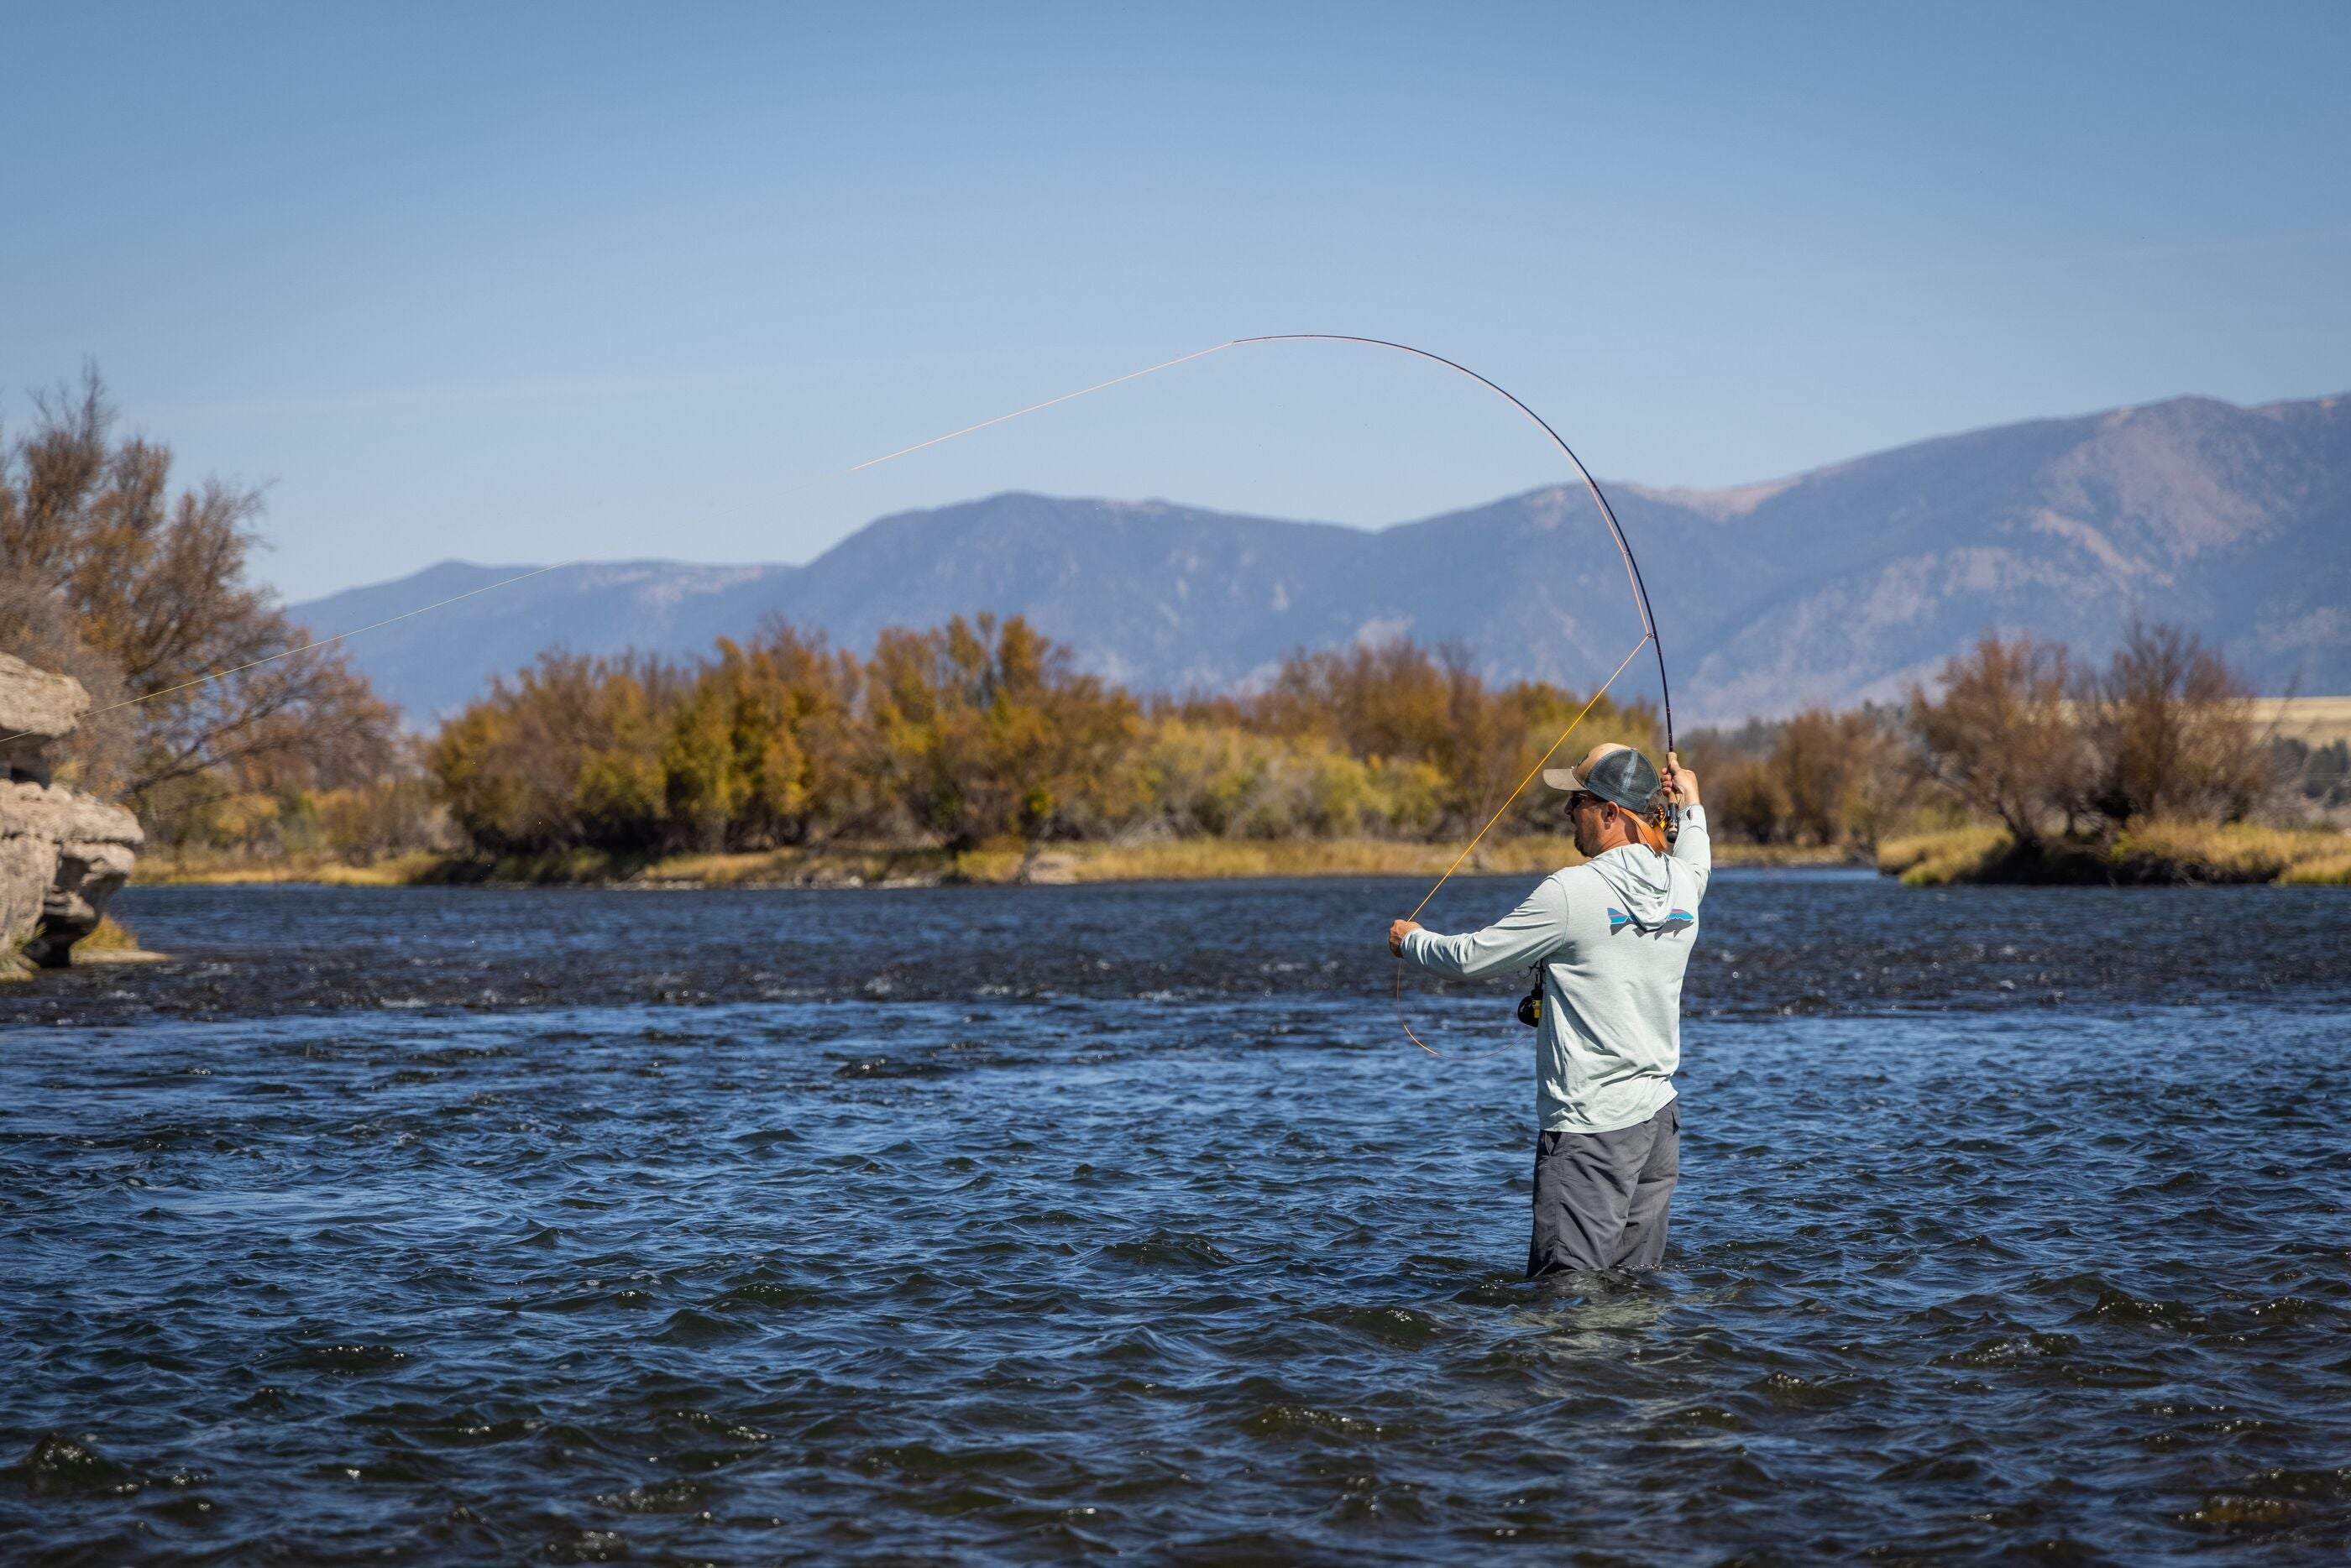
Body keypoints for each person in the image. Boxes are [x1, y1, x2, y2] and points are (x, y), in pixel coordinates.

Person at [1388, 743, 1708, 1278]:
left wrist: (1412, 942)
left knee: (1567, 1304)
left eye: (1577, 800)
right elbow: (1697, 853)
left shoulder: (1571, 892)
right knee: (1633, 1297)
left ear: (1611, 813)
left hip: (1588, 1132)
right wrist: (1693, 806)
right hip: (1659, 1127)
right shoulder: (1684, 884)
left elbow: (1472, 958)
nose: (1566, 812)